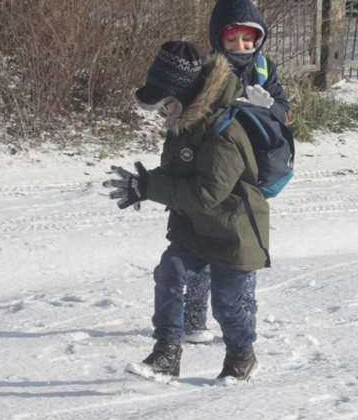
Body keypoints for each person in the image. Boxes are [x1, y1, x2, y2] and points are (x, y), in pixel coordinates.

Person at [104, 40, 270, 382]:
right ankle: (166, 353)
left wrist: (150, 188)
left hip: (234, 232)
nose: (162, 113)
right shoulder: (186, 123)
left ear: (184, 95)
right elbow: (181, 175)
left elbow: (207, 192)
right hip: (196, 227)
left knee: (225, 304)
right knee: (170, 271)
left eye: (165, 104)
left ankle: (242, 354)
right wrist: (143, 184)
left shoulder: (224, 132)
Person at [183, 0, 291, 344]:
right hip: (212, 168)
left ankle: (247, 317)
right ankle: (193, 316)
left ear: (258, 38)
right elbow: (192, 111)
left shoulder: (264, 68)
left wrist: (267, 106)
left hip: (249, 172)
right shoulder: (208, 70)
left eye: (248, 38)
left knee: (243, 245)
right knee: (201, 238)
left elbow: (283, 113)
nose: (241, 45)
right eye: (233, 38)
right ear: (219, 38)